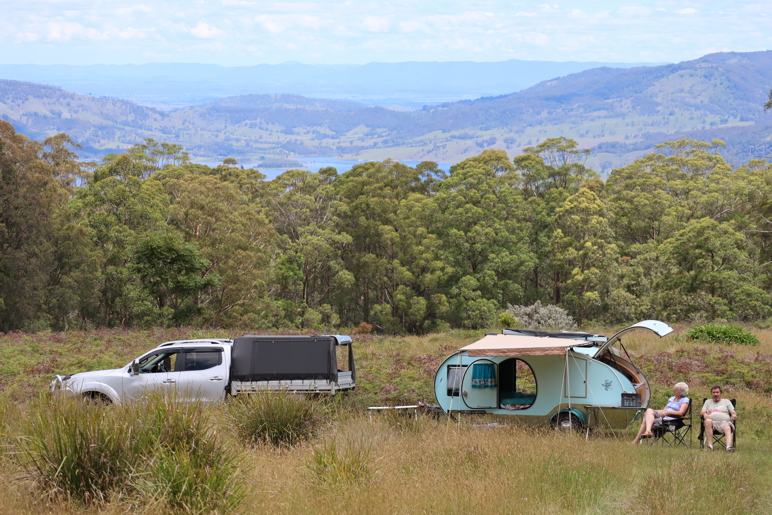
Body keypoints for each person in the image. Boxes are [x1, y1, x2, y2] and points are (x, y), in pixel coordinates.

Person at [701, 385, 737, 452]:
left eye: (717, 392)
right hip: (712, 424)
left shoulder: (726, 401)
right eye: (713, 392)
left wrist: (733, 415)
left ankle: (728, 447)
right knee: (707, 421)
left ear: (721, 393)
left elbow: (732, 411)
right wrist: (704, 414)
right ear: (711, 394)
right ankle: (710, 446)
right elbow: (702, 412)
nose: (715, 394)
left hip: (724, 422)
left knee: (728, 427)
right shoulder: (707, 402)